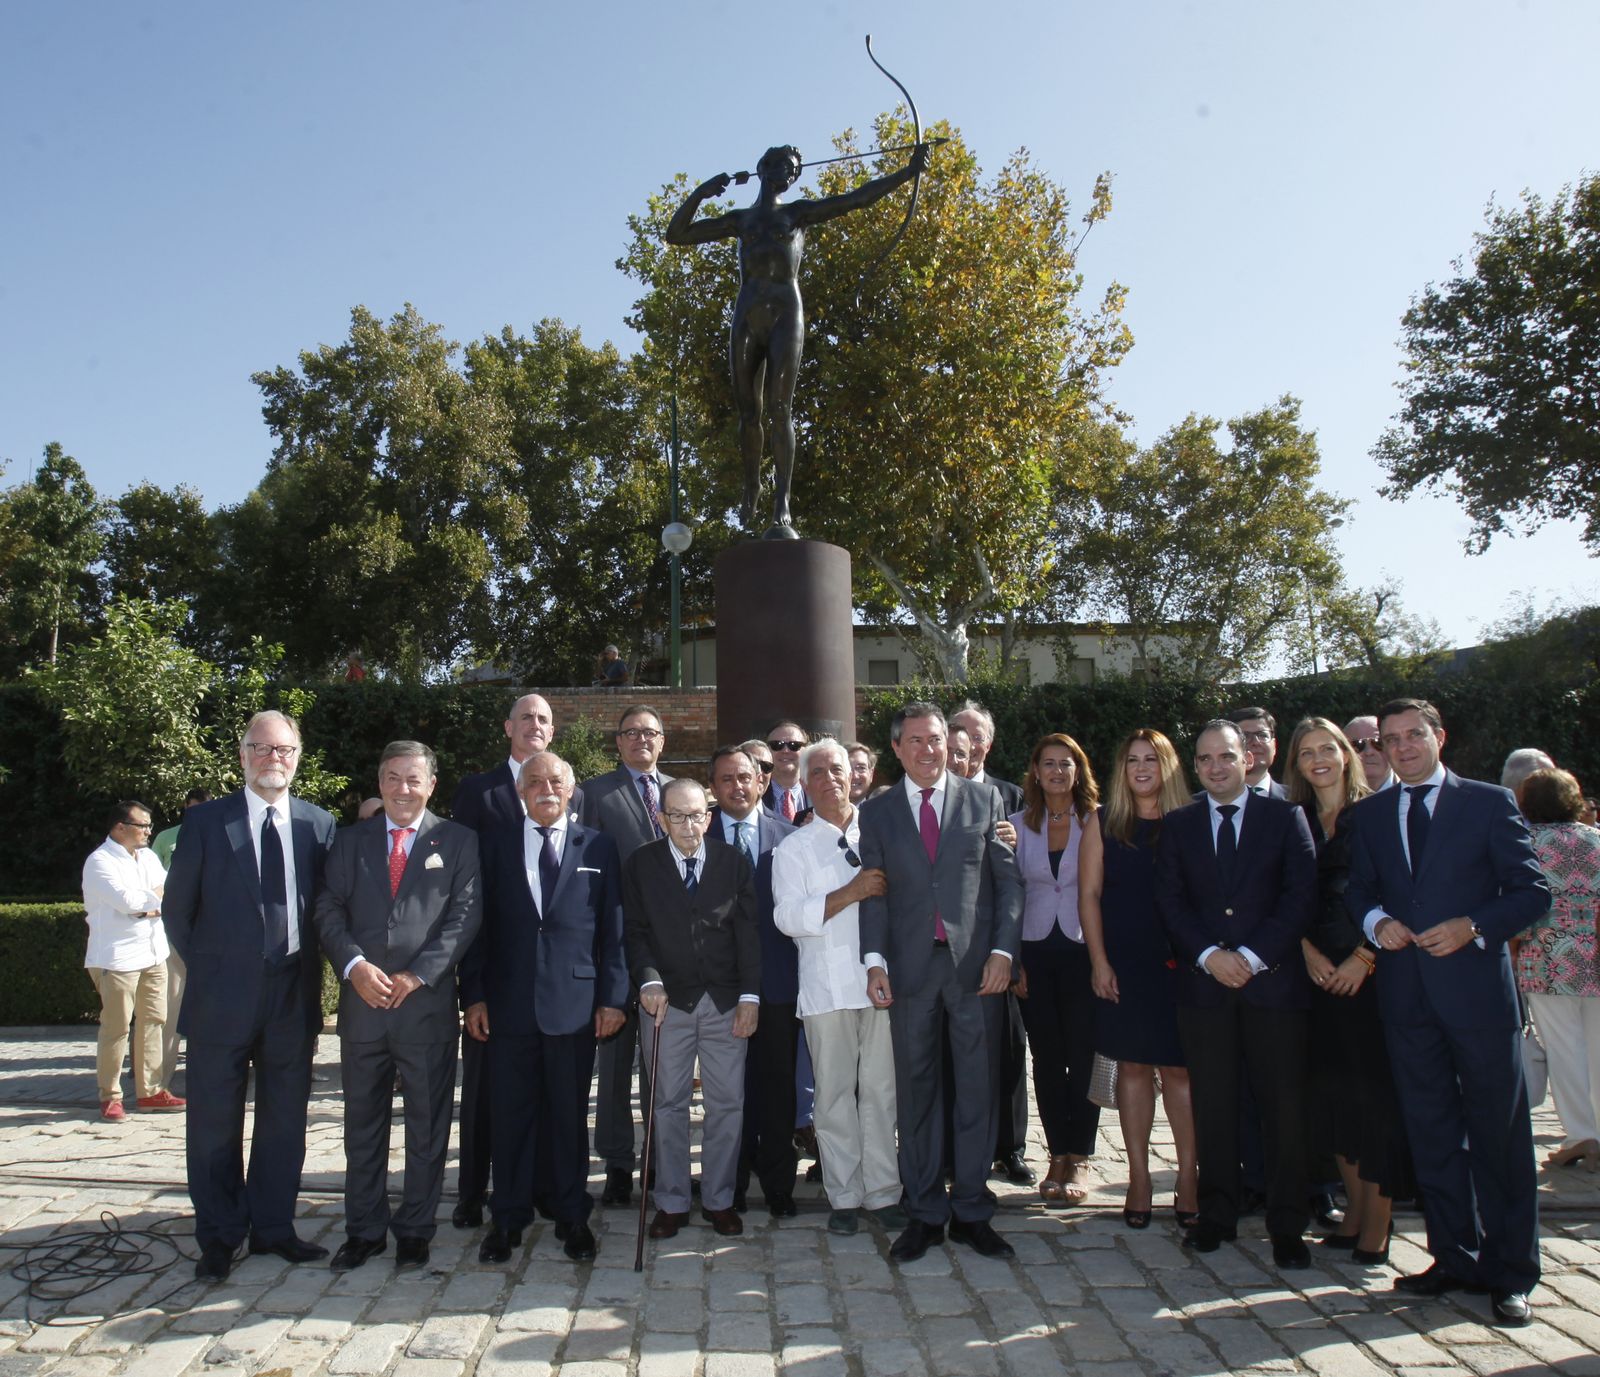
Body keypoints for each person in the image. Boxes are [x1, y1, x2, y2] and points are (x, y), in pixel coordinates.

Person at [1344, 697, 1551, 1326]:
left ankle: (1512, 1270)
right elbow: (1359, 889)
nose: (1401, 748)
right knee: (1432, 1134)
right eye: (1390, 740)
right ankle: (1454, 1256)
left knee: (1500, 1136)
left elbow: (1532, 892)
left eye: (1413, 736)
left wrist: (1474, 925)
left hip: (1479, 1000)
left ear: (1439, 737)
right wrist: (1378, 924)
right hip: (1406, 1000)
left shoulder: (1487, 802)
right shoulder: (1373, 814)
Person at [665, 140, 929, 534]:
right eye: (783, 166)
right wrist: (702, 193)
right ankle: (752, 482)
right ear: (763, 167)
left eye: (794, 171)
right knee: (747, 412)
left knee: (779, 409)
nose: (788, 175)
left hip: (786, 314)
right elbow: (677, 234)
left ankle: (782, 499)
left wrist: (908, 173)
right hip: (747, 316)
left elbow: (856, 200)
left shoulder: (799, 214)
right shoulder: (741, 220)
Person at [163, 710, 337, 1283]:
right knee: (214, 1122)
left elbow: (327, 911)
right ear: (242, 756)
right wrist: (218, 968)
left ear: (298, 757)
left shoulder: (319, 824)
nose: (273, 759)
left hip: (293, 993)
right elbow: (178, 911)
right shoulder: (207, 822)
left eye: (284, 750)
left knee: (285, 1119)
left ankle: (273, 1228)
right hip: (221, 998)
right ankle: (218, 1234)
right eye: (261, 748)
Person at [859, 701, 1024, 1263]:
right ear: (898, 749)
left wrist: (1004, 951)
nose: (930, 750)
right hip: (908, 972)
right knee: (917, 1093)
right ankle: (926, 1212)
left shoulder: (985, 800)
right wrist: (874, 962)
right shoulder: (878, 814)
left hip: (975, 971)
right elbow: (874, 894)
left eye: (937, 740)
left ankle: (974, 1209)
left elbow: (1008, 884)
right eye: (917, 741)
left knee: (978, 1090)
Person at [1155, 718, 1317, 1269]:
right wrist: (1209, 956)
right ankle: (1217, 1215)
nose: (1216, 768)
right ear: (1194, 766)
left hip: (1272, 988)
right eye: (1204, 760)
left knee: (1284, 1110)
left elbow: (1300, 897)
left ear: (1246, 758)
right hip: (1204, 990)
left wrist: (1249, 957)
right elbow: (1171, 901)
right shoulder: (1179, 825)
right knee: (1215, 1106)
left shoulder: (1285, 816)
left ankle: (1288, 1223)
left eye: (1225, 756)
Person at [314, 741, 481, 1273]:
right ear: (379, 782)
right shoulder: (349, 841)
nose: (402, 789)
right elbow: (328, 908)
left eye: (413, 779)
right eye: (392, 778)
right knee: (362, 1125)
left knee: (428, 1126)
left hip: (425, 1008)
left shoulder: (458, 841)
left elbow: (465, 916)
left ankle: (415, 1228)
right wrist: (354, 965)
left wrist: (418, 973)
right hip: (363, 1006)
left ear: (432, 784)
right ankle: (363, 1230)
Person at [463, 753, 627, 1264]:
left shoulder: (599, 846)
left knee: (568, 1116)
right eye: (534, 782)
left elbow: (614, 932)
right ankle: (506, 1219)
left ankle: (572, 1216)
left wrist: (612, 998)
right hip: (509, 1005)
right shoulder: (493, 846)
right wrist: (474, 995)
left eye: (555, 780)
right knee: (509, 1116)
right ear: (520, 791)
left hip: (575, 1006)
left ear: (571, 788)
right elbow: (476, 930)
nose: (545, 789)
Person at [449, 692, 583, 1229]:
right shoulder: (478, 792)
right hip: (504, 980)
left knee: (556, 1099)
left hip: (559, 987)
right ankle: (475, 1191)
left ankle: (552, 1190)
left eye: (544, 718)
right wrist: (473, 986)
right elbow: (470, 896)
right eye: (525, 717)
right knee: (490, 1097)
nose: (534, 725)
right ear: (508, 727)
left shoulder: (574, 792)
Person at [1284, 717, 1411, 1264]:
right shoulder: (1295, 820)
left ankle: (1378, 1222)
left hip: (1371, 977)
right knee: (1331, 1098)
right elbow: (1280, 897)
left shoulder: (1376, 814)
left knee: (1372, 1101)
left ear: (1346, 754)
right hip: (1313, 978)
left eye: (1328, 748)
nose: (1319, 759)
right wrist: (1306, 953)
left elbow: (1403, 891)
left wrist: (1365, 958)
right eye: (1307, 751)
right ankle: (1354, 1210)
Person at [773, 739, 903, 1236]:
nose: (830, 779)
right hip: (827, 988)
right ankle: (844, 1194)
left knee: (880, 1091)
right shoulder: (794, 847)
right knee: (831, 1096)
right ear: (805, 784)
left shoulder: (883, 831)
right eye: (819, 772)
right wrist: (850, 892)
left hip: (884, 982)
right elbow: (786, 917)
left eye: (839, 769)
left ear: (856, 776)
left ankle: (884, 1192)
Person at [624, 779, 760, 1240]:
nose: (688, 824)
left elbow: (748, 935)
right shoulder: (642, 864)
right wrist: (649, 979)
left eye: (696, 814)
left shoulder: (731, 862)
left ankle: (720, 1199)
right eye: (676, 815)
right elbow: (635, 931)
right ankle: (672, 1201)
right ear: (661, 818)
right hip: (666, 1004)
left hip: (724, 1003)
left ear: (709, 815)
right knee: (667, 1105)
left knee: (727, 1104)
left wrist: (749, 997)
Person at [1080, 730, 1198, 1229]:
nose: (1143, 768)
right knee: (1131, 1068)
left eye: (1153, 759)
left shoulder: (1193, 821)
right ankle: (1140, 1178)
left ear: (1169, 766)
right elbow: (1088, 895)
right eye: (1133, 760)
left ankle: (1189, 1178)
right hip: (1124, 963)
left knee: (1180, 1072)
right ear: (1121, 769)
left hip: (1184, 963)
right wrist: (1099, 961)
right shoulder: (1103, 822)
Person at [580, 704, 674, 1207]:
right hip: (614, 947)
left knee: (662, 1066)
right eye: (630, 733)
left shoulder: (682, 792)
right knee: (614, 1068)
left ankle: (658, 1163)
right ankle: (617, 1164)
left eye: (650, 733)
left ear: (663, 741)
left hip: (671, 951)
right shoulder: (596, 793)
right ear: (617, 742)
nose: (641, 739)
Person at [1009, 735, 1101, 1207]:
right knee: (1046, 1059)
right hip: (1035, 953)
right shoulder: (1017, 826)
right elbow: (1007, 899)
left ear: (1079, 769)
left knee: (1084, 1056)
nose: (1057, 772)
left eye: (1066, 763)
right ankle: (1056, 1154)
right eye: (1049, 763)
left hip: (1086, 949)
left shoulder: (1098, 821)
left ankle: (1080, 1153)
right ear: (1036, 771)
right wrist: (1013, 960)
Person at [706, 746, 798, 1217]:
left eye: (744, 777)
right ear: (714, 788)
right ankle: (731, 1183)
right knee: (728, 1091)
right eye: (726, 779)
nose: (737, 786)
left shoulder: (789, 837)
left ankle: (780, 1184)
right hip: (721, 987)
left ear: (762, 782)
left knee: (778, 1088)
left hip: (779, 984)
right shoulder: (698, 839)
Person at [948, 699, 1031, 1185]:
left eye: (974, 735)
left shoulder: (1011, 796)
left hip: (998, 949)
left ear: (987, 743)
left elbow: (1022, 875)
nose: (966, 742)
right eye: (956, 730)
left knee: (1007, 1049)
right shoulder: (928, 795)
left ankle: (1010, 1146)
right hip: (950, 953)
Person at [1514, 767, 1600, 1172]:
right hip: (1595, 955)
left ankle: (1581, 1133)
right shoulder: (1596, 839)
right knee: (1597, 1048)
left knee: (1564, 1049)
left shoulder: (1527, 843)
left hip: (1546, 959)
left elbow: (1522, 905)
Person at [81, 800, 184, 1121]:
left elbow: (171, 892)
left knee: (154, 1022)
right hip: (117, 957)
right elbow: (130, 903)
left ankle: (150, 1091)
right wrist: (152, 901)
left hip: (154, 953)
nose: (148, 831)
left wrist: (150, 901)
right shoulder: (99, 862)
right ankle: (110, 1096)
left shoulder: (150, 857)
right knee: (116, 1028)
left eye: (149, 826)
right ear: (120, 827)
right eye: (142, 826)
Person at [1227, 706, 1286, 798]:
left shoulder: (1298, 801)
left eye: (1263, 735)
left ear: (1274, 745)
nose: (1255, 742)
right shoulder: (1200, 805)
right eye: (1245, 736)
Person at [763, 721, 810, 822]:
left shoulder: (819, 794)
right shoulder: (755, 796)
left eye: (794, 745)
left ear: (806, 750)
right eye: (777, 745)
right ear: (767, 750)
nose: (785, 751)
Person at [1343, 716, 1395, 793]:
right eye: (1357, 745)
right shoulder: (1330, 799)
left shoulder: (1413, 791)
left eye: (1378, 743)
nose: (1369, 752)